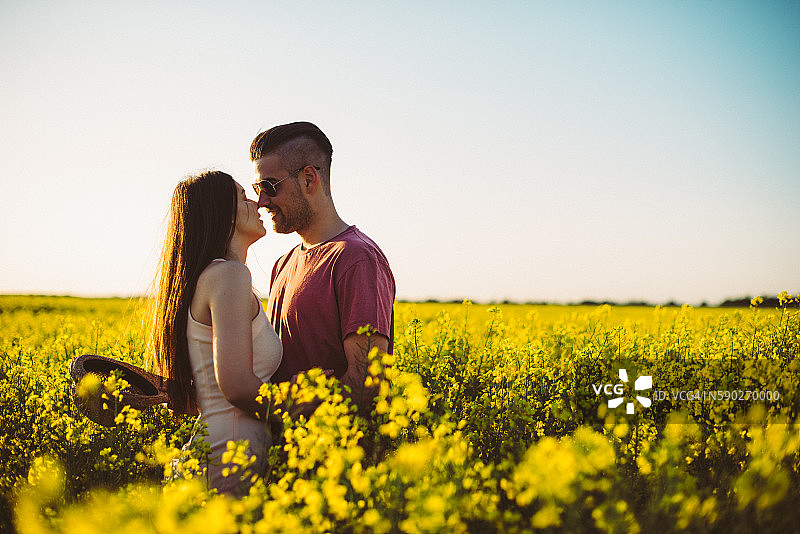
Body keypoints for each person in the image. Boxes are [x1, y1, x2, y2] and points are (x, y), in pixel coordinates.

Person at [150, 170, 282, 495]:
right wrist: (302, 409)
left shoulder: (210, 277)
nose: (257, 202)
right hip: (231, 454)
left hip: (223, 449)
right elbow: (236, 386)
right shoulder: (229, 275)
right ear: (222, 212)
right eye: (242, 196)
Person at [250, 121, 396, 415]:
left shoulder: (357, 260)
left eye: (269, 186)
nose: (261, 201)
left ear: (308, 179)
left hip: (337, 455)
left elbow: (367, 384)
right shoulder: (283, 264)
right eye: (257, 188)